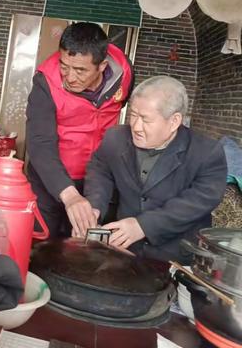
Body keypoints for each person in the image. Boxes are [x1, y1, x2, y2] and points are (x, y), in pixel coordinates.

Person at [82, 76, 227, 263]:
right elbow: (100, 170)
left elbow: (200, 200)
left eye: (145, 120)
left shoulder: (206, 152)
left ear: (174, 121)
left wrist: (143, 226)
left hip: (175, 256)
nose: (136, 126)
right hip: (123, 249)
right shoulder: (115, 138)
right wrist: (94, 207)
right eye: (133, 115)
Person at [26, 22, 134, 238]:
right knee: (41, 241)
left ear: (102, 66)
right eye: (64, 66)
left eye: (80, 70)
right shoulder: (45, 82)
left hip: (97, 178)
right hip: (52, 176)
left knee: (83, 243)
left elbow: (119, 107)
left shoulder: (124, 73)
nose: (70, 77)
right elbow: (40, 143)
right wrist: (69, 195)